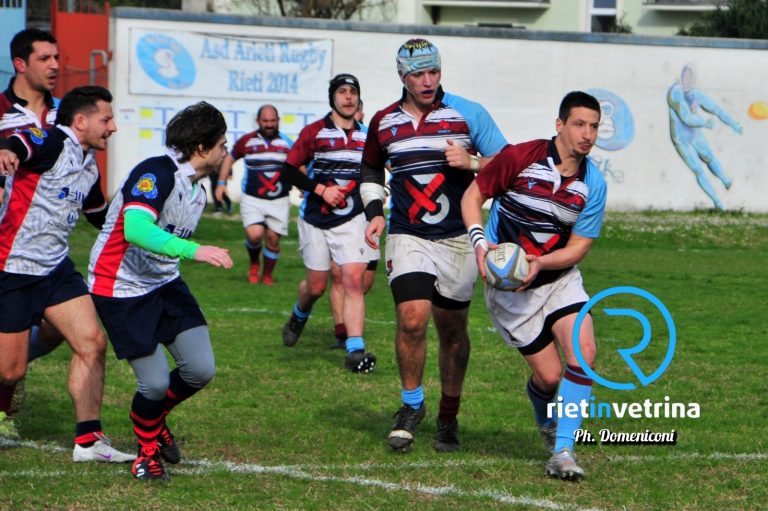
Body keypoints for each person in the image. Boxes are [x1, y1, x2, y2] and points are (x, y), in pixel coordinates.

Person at [361, 38, 507, 452]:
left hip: (458, 237)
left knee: (452, 330)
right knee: (411, 319)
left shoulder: (468, 114)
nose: (427, 81)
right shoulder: (383, 121)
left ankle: (448, 416)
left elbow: (509, 163)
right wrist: (374, 211)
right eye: (418, 74)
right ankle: (411, 406)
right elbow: (371, 168)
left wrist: (473, 162)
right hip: (407, 233)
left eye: (434, 72)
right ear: (402, 77)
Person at [461, 91, 607, 481]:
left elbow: (579, 247)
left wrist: (541, 262)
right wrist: (480, 244)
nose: (587, 134)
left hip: (558, 279)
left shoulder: (593, 183)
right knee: (550, 378)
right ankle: (546, 420)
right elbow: (473, 195)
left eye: (594, 127)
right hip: (511, 291)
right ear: (560, 125)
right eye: (579, 124)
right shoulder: (521, 157)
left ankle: (563, 451)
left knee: (584, 353)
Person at [88, 101, 233, 482]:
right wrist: (195, 250)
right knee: (153, 384)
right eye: (222, 144)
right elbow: (135, 229)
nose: (226, 151)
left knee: (200, 370)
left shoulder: (197, 187)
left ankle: (154, 419)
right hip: (120, 287)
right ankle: (146, 453)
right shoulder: (156, 172)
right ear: (202, 147)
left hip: (165, 283)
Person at [0, 85, 134, 463]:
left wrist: (143, 227)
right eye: (106, 119)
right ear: (80, 121)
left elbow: (99, 216)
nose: (113, 127)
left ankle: (89, 442)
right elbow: (19, 142)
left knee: (92, 342)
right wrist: (7, 150)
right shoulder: (53, 141)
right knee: (9, 372)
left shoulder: (88, 164)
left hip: (55, 269)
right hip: (13, 267)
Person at [280, 73, 377, 373]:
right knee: (316, 286)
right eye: (342, 91)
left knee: (352, 281)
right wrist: (321, 190)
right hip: (316, 219)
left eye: (353, 92)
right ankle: (300, 313)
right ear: (332, 97)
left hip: (352, 217)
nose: (348, 97)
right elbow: (288, 171)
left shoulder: (368, 137)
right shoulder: (314, 132)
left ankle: (355, 349)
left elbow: (380, 169)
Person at [215, 104, 293, 285]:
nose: (269, 124)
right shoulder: (247, 141)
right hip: (253, 198)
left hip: (279, 199)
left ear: (278, 121)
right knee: (255, 235)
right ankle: (254, 263)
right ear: (258, 121)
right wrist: (221, 183)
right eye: (265, 121)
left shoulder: (287, 143)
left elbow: (299, 164)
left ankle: (267, 276)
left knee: (273, 240)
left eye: (272, 121)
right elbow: (229, 158)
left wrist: (306, 187)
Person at [328, 98, 379, 350]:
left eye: (356, 111)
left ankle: (350, 321)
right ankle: (343, 333)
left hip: (368, 217)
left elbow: (390, 166)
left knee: (362, 283)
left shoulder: (372, 138)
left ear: (362, 113)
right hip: (338, 218)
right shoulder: (328, 137)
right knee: (342, 277)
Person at [667, 64, 742, 210]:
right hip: (681, 139)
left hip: (694, 133)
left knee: (709, 157)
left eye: (690, 76)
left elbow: (716, 109)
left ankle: (725, 180)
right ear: (681, 77)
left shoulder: (696, 94)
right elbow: (686, 118)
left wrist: (733, 124)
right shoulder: (675, 93)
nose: (687, 79)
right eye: (685, 76)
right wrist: (704, 123)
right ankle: (717, 201)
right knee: (698, 169)